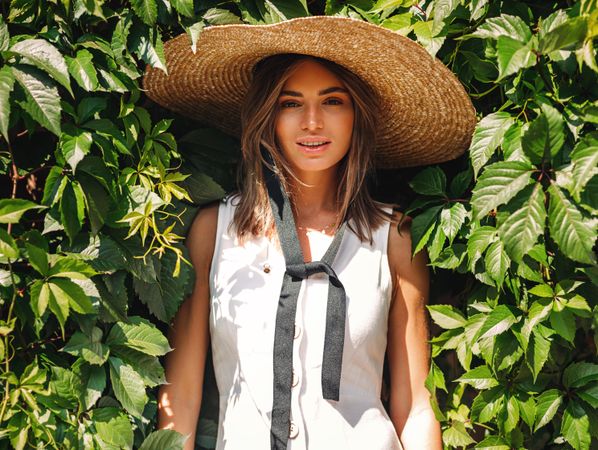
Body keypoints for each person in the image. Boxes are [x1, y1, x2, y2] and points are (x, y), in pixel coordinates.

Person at [143, 16, 475, 450]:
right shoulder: (215, 231)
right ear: (267, 115)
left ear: (357, 114)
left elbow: (413, 406)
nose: (313, 122)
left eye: (333, 101)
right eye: (290, 102)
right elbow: (181, 399)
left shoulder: (393, 237)